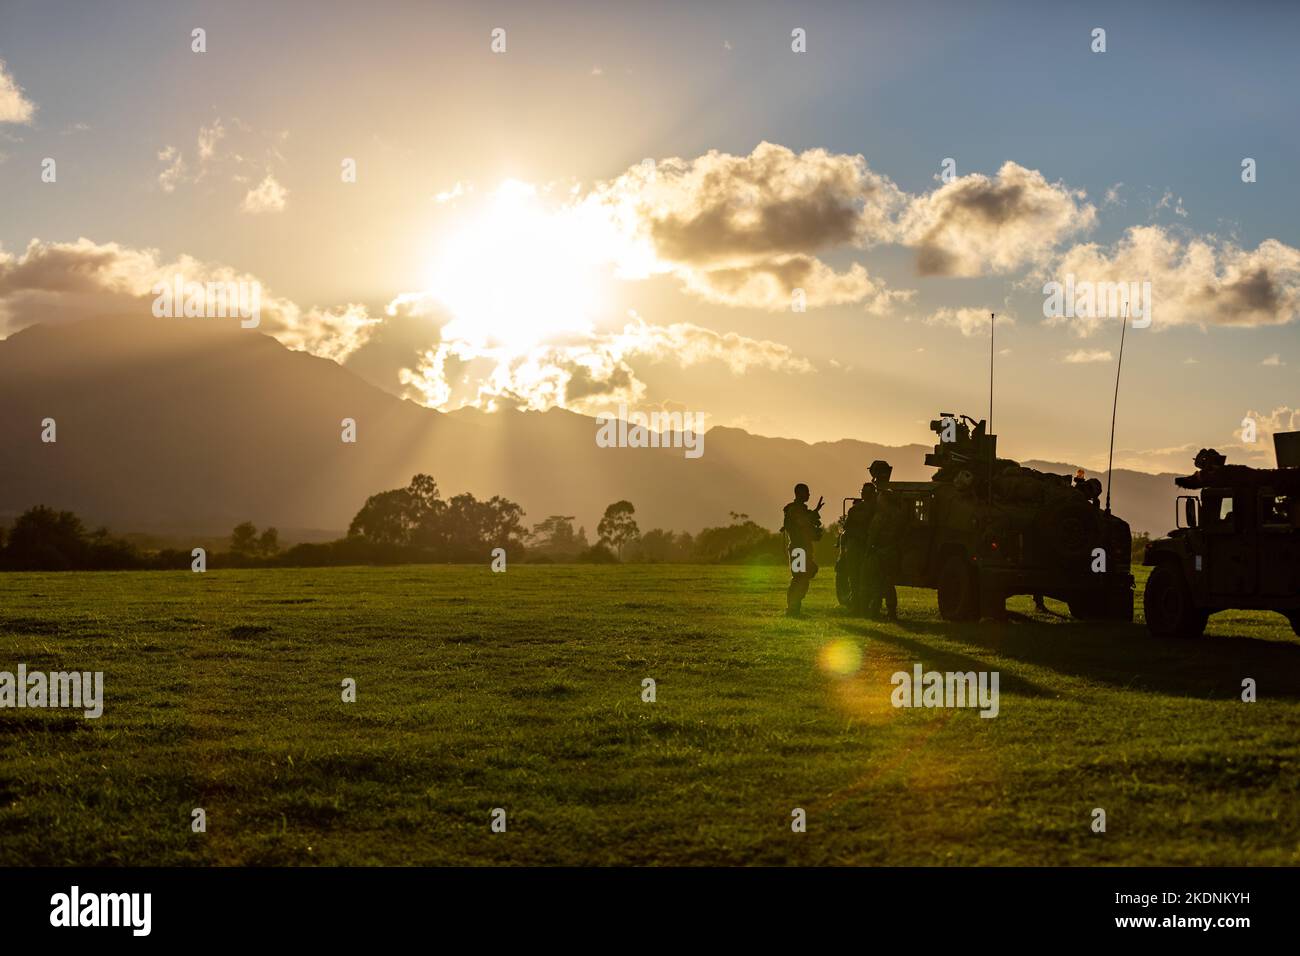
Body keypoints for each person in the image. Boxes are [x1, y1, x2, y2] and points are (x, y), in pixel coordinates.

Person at [864, 461, 900, 619]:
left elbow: (872, 533)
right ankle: (891, 611)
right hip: (892, 551)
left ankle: (874, 610)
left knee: (877, 582)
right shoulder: (896, 514)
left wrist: (868, 549)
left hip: (880, 551)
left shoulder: (880, 516)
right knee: (889, 582)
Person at [782, 483, 824, 617]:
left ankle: (795, 608)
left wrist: (815, 513)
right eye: (806, 493)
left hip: (803, 547)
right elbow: (802, 522)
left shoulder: (800, 509)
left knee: (805, 575)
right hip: (798, 548)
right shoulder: (794, 509)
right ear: (800, 494)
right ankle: (793, 609)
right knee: (799, 578)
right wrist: (814, 514)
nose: (809, 495)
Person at [841, 483, 876, 613]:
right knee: (867, 578)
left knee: (854, 577)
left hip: (856, 546)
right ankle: (865, 606)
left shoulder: (855, 509)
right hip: (869, 547)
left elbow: (846, 528)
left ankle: (857, 606)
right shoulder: (877, 509)